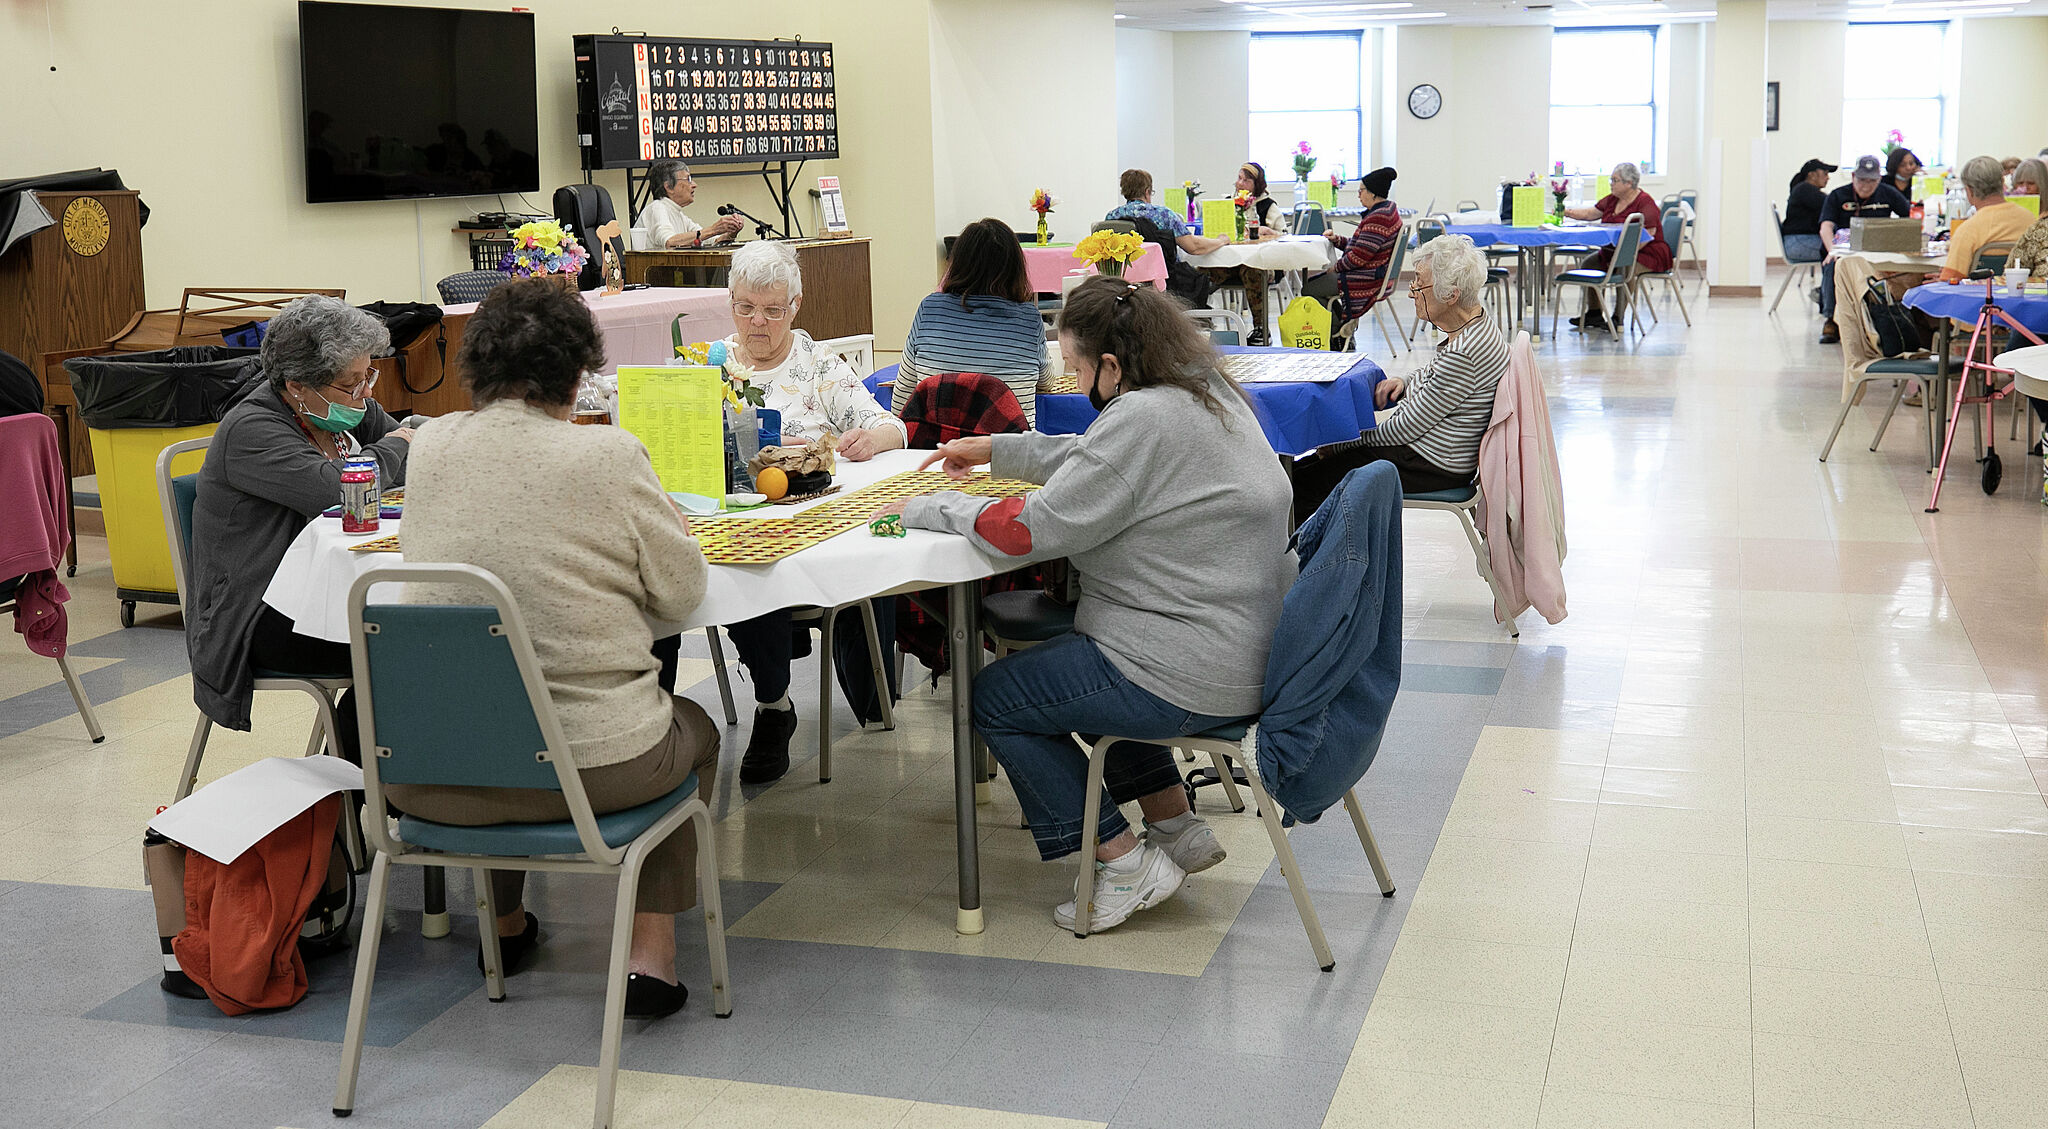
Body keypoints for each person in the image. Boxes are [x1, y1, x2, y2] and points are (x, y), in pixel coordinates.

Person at [882, 277, 1295, 934]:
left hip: (1187, 668)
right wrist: (1001, 451)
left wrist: (934, 508)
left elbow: (1032, 527)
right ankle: (1174, 825)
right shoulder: (1204, 392)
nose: (1073, 379)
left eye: (1075, 364)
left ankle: (1122, 859)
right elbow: (1099, 458)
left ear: (1110, 363)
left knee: (997, 698)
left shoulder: (1142, 415)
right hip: (1242, 652)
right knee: (1078, 668)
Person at [396, 279, 717, 1018]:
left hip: (433, 766)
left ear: (476, 365)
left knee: (499, 701)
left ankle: (505, 925)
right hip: (593, 767)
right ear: (577, 373)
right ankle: (650, 954)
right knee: (694, 733)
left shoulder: (433, 445)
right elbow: (680, 591)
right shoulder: (608, 454)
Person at [710, 239, 907, 785]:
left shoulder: (819, 366)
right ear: (731, 304)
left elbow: (894, 427)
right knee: (717, 568)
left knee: (758, 569)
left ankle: (772, 707)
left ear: (795, 308)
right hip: (733, 527)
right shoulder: (713, 365)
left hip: (808, 531)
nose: (758, 322)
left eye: (773, 310)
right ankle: (767, 705)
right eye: (746, 308)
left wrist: (873, 438)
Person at [185, 295, 412, 753]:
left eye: (368, 375)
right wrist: (399, 443)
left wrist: (410, 435)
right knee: (410, 646)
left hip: (322, 588)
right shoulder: (252, 429)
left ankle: (368, 787)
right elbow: (339, 489)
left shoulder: (336, 407)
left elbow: (403, 438)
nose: (366, 393)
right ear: (298, 386)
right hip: (256, 615)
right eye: (352, 383)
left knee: (425, 630)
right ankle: (352, 795)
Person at [1296, 235, 1506, 511]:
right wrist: (1405, 382)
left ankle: (1300, 553)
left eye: (1419, 282)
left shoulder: (1464, 353)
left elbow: (1402, 430)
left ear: (1451, 295)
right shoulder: (1477, 325)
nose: (1411, 291)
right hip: (1431, 451)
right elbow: (1437, 375)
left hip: (1431, 462)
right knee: (1306, 469)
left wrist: (1341, 445)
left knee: (1303, 485)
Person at [890, 218, 1052, 424]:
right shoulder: (1029, 319)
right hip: (1007, 451)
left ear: (957, 263)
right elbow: (1046, 381)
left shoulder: (929, 309)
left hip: (935, 450)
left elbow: (903, 397)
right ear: (1015, 268)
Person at [1559, 161, 1672, 331]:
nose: (1611, 184)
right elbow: (1591, 213)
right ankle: (1595, 313)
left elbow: (1648, 234)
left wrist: (1623, 254)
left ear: (1629, 183)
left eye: (1615, 180)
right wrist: (1566, 212)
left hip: (1646, 252)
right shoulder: (1613, 200)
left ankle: (1618, 317)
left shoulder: (1645, 202)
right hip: (1614, 251)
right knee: (1589, 263)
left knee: (1625, 267)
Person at [1817, 155, 1911, 344]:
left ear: (1879, 179)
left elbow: (1911, 217)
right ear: (1853, 177)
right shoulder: (1837, 195)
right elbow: (1825, 227)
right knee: (1833, 267)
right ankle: (1831, 320)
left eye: (1872, 181)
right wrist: (1832, 251)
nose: (1866, 186)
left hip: (1878, 251)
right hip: (1843, 251)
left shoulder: (1888, 193)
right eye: (1861, 180)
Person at [1305, 166, 1402, 337]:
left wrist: (1335, 268)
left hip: (1366, 279)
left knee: (1309, 289)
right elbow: (1363, 247)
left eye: (1361, 190)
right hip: (1374, 275)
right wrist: (1337, 240)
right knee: (1319, 284)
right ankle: (1342, 325)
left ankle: (1338, 333)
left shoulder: (1378, 217)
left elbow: (1358, 257)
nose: (1358, 194)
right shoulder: (1388, 211)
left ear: (1373, 193)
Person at [1197, 162, 1279, 344]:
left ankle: (1261, 329)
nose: (1240, 184)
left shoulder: (1267, 206)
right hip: (1228, 261)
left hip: (1256, 262)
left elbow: (1284, 236)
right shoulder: (1227, 203)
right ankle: (1200, 322)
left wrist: (1271, 232)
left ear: (1256, 184)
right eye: (1239, 178)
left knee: (1253, 271)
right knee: (1200, 272)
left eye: (1246, 180)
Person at [1939, 155, 2037, 283]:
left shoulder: (1968, 230)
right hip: (2025, 296)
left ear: (1969, 191)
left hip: (1979, 299)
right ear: (2003, 183)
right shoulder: (2030, 219)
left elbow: (1951, 281)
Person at [1104, 168, 1229, 260]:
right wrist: (1221, 241)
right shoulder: (1164, 215)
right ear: (1147, 191)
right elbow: (1194, 247)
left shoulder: (1111, 218)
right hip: (1162, 283)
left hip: (1124, 282)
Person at [642, 159, 745, 249]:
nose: (694, 185)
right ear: (668, 187)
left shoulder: (678, 214)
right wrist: (714, 229)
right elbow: (670, 242)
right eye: (688, 180)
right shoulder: (657, 208)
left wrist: (731, 233)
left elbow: (708, 240)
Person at [1781, 159, 1837, 282]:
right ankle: (1827, 294)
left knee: (1839, 247)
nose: (1828, 178)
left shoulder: (1804, 190)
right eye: (1825, 174)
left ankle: (1826, 291)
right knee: (1841, 253)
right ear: (1812, 175)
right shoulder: (1805, 190)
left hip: (1798, 241)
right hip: (1799, 243)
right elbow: (1833, 206)